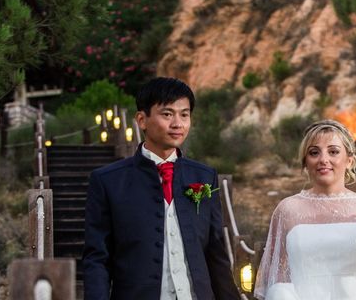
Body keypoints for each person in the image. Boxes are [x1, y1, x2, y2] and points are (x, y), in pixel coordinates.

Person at [82, 77, 239, 300]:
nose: (178, 123)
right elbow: (96, 259)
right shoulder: (107, 181)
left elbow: (216, 254)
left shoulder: (204, 176)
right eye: (167, 114)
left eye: (184, 114)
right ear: (141, 120)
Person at [254, 119, 356, 300]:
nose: (324, 159)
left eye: (333, 151)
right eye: (314, 152)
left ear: (349, 160)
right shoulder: (288, 210)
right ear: (305, 163)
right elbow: (276, 279)